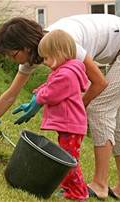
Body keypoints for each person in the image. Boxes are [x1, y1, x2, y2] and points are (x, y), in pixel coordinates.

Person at [0, 15, 120, 201]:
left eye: (13, 55)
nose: (13, 60)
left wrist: (80, 108)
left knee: (100, 109)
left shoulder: (64, 43)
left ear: (26, 46)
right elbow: (11, 94)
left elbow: (99, 82)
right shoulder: (43, 52)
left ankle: (100, 184)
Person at [34, 29, 89, 200]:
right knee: (67, 157)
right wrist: (41, 89)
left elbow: (51, 94)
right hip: (70, 124)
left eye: (46, 57)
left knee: (68, 160)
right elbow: (49, 85)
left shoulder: (66, 75)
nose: (44, 62)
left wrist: (39, 95)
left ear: (59, 53)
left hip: (70, 125)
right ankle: (69, 188)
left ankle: (78, 192)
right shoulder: (65, 71)